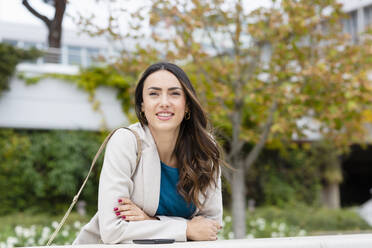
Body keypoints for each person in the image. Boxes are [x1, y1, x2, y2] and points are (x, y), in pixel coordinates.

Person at [73, 62, 226, 244]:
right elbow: (112, 231)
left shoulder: (205, 148)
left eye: (174, 93)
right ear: (142, 106)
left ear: (187, 105)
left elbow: (210, 228)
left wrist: (150, 221)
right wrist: (186, 229)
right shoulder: (126, 142)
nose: (164, 103)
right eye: (153, 94)